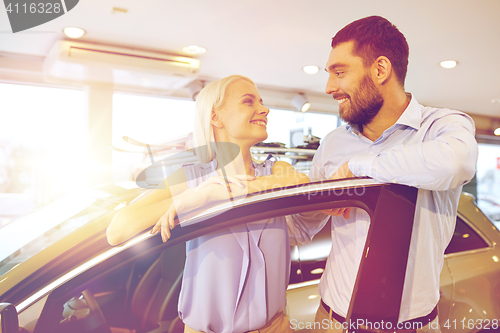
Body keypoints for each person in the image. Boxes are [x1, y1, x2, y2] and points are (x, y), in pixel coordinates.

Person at [288, 16, 478, 333]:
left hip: (414, 327)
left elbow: (457, 163)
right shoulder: (333, 144)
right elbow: (302, 227)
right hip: (332, 322)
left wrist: (359, 166)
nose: (328, 87)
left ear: (380, 70)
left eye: (339, 72)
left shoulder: (440, 127)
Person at [107, 74, 309, 333]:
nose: (264, 109)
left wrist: (219, 195)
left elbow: (300, 185)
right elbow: (118, 230)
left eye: (261, 101)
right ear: (215, 117)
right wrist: (189, 199)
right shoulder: (191, 177)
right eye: (249, 102)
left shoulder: (276, 169)